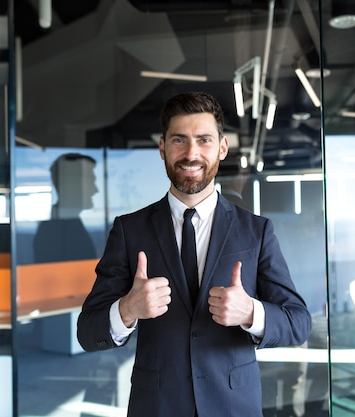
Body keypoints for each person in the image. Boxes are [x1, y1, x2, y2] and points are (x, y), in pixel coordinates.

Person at [77, 91, 312, 417]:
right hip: (157, 408)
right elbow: (88, 332)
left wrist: (251, 313)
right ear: (162, 148)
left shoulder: (256, 231)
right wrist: (128, 309)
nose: (191, 153)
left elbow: (298, 322)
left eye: (204, 140)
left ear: (222, 147)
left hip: (233, 408)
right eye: (179, 140)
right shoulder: (130, 231)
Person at [33, 152, 98, 263]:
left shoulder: (67, 224)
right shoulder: (54, 233)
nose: (95, 190)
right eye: (91, 182)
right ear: (74, 186)